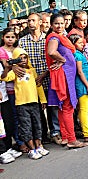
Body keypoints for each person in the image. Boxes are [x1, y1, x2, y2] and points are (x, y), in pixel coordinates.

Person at [45, 14, 88, 149]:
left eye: (62, 23)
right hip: (63, 76)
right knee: (67, 107)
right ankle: (71, 139)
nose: (60, 26)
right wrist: (63, 60)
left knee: (63, 107)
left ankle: (65, 137)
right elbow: (51, 52)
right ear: (51, 25)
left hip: (64, 75)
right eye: (56, 23)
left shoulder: (61, 37)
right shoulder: (54, 37)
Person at [19, 13, 61, 145]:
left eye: (33, 20)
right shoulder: (22, 41)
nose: (30, 23)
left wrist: (44, 74)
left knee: (52, 106)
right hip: (31, 82)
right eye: (29, 21)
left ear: (40, 22)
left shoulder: (47, 39)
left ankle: (55, 132)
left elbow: (54, 60)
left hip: (48, 77)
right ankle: (42, 135)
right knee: (37, 109)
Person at [1, 48, 49, 160]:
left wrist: (43, 100)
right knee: (26, 127)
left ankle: (38, 146)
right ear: (15, 59)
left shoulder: (32, 71)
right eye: (20, 58)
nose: (23, 60)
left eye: (25, 57)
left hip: (34, 103)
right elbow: (3, 78)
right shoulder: (15, 72)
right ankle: (31, 149)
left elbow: (39, 86)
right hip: (22, 104)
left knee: (38, 125)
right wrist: (8, 68)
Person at [0, 28, 28, 153]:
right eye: (7, 37)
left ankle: (28, 139)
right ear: (3, 38)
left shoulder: (18, 50)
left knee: (24, 116)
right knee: (14, 117)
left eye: (12, 37)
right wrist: (14, 65)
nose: (10, 39)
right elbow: (6, 67)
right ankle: (19, 141)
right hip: (9, 87)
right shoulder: (1, 51)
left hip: (23, 85)